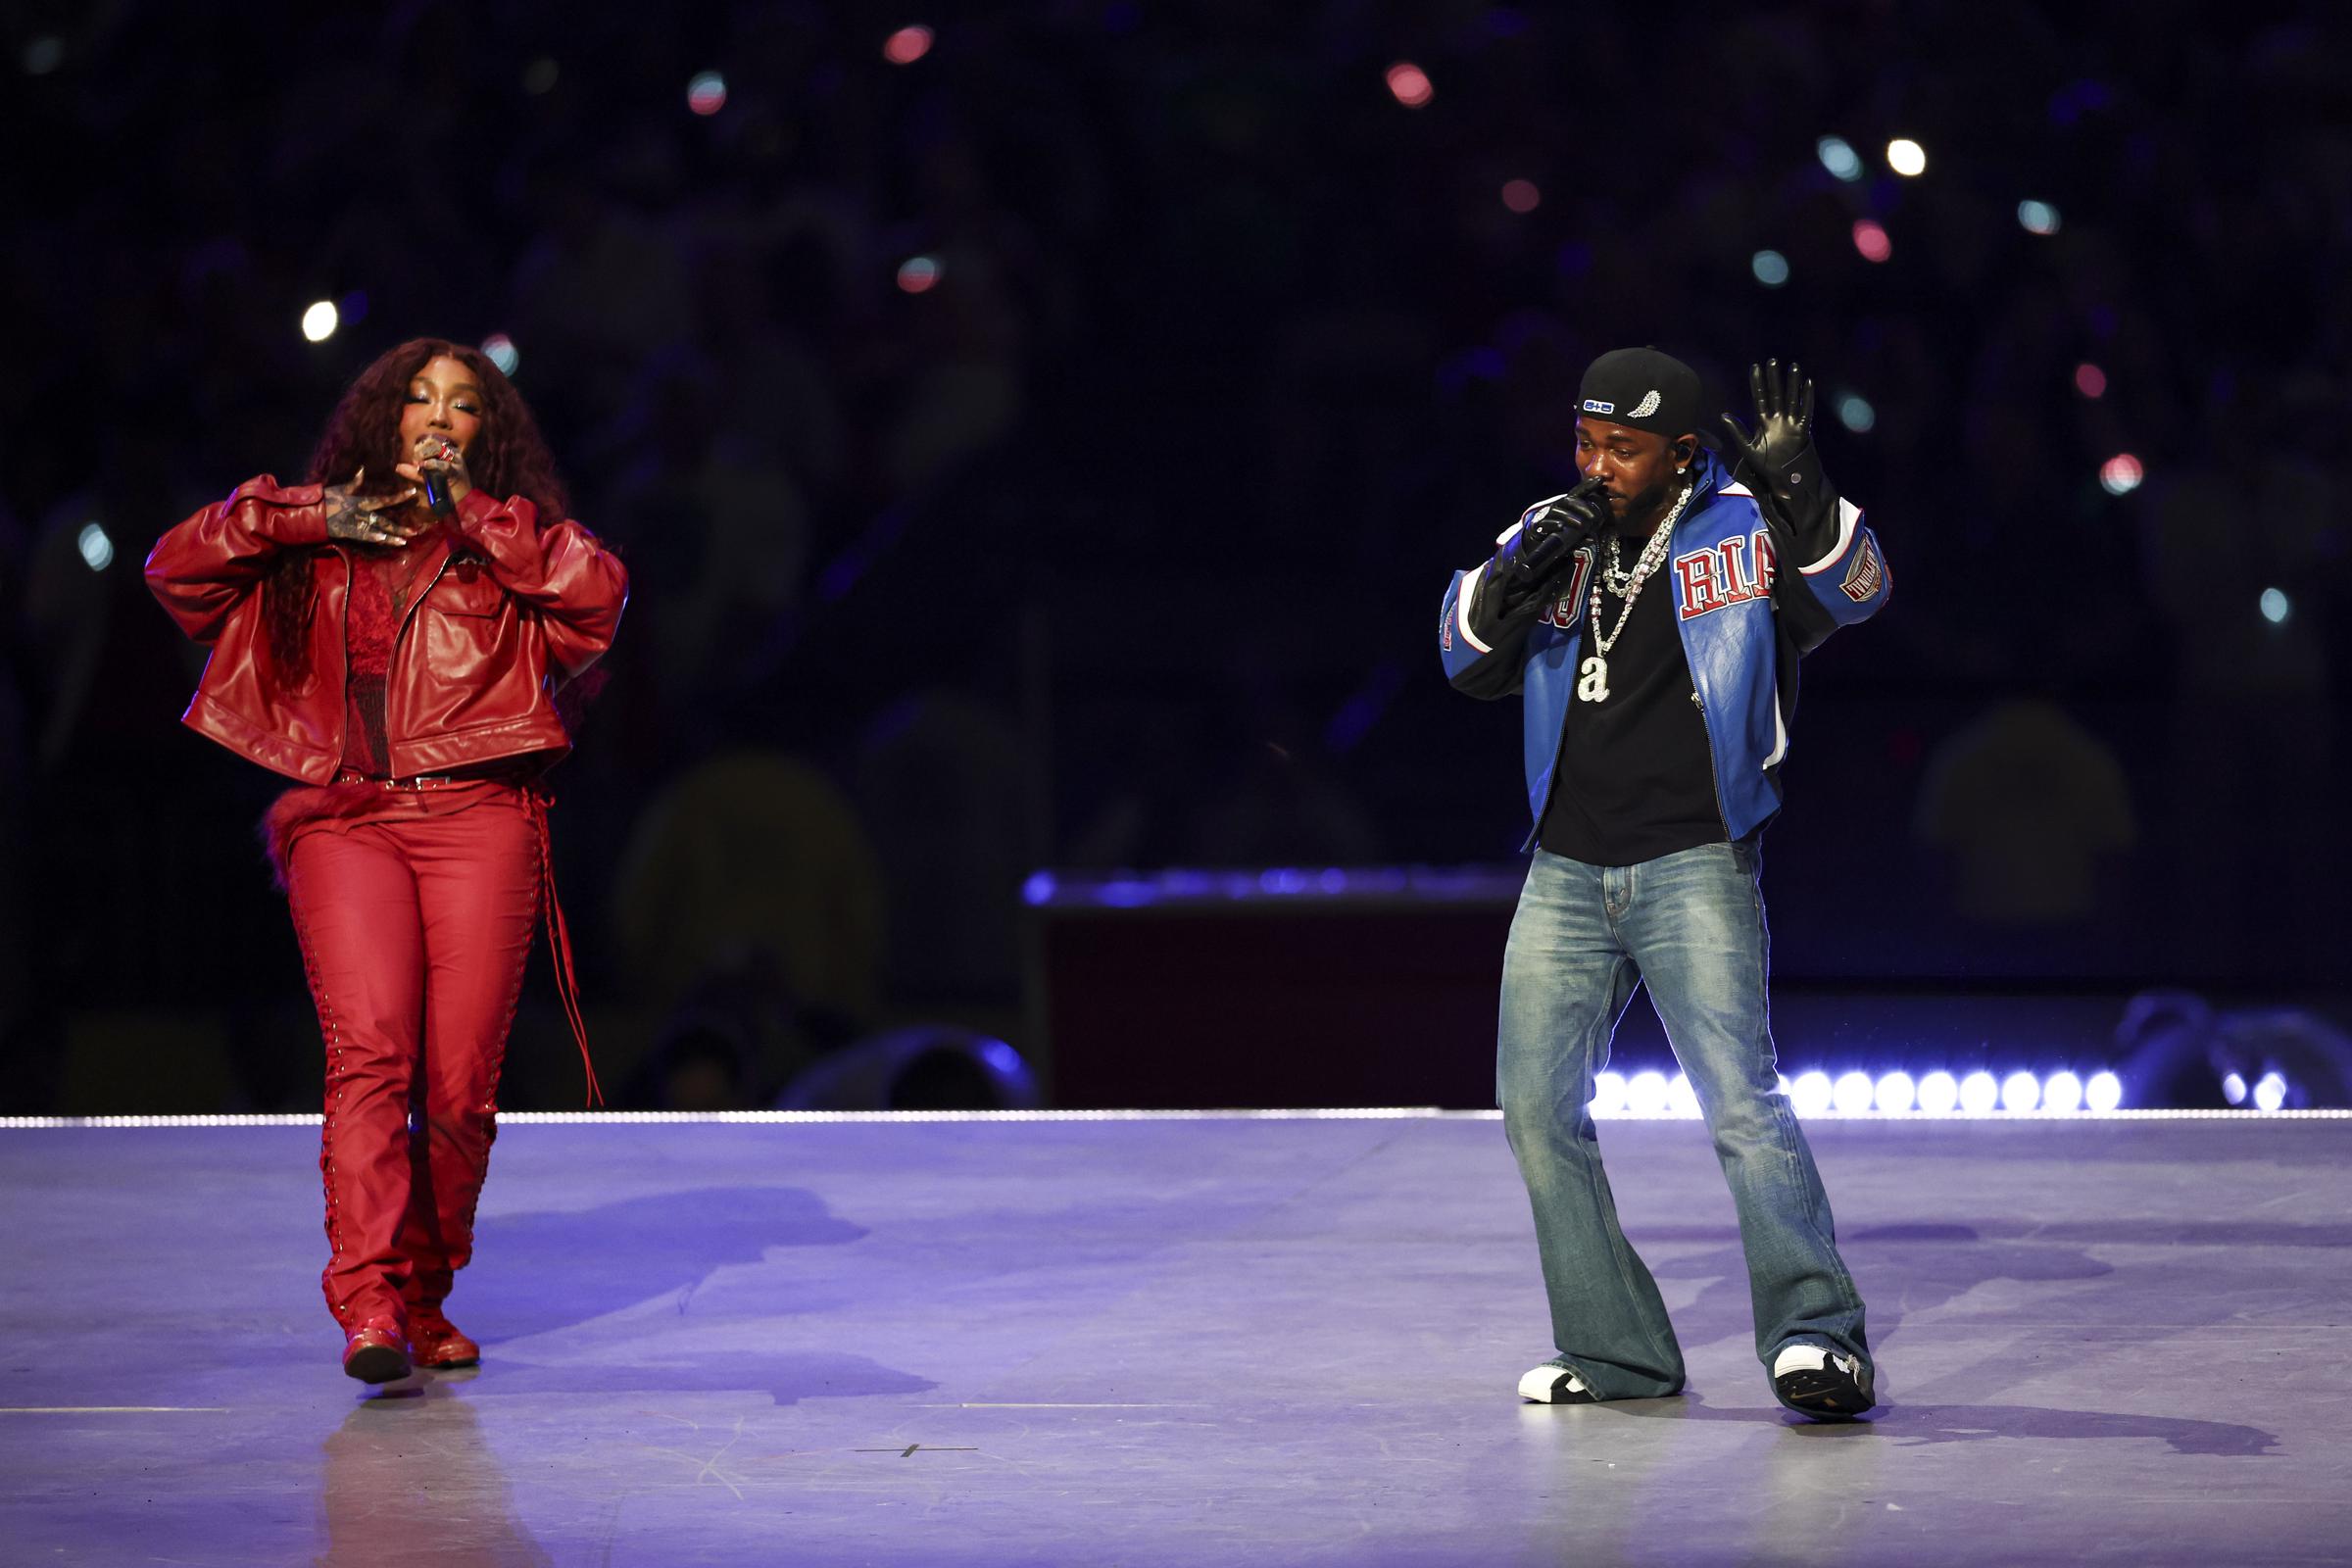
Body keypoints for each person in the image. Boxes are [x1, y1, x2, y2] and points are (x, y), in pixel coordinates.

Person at [147, 338, 627, 1384]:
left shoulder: (509, 541)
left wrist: (481, 520)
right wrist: (303, 514)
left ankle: (421, 1291)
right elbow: (172, 569)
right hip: (345, 817)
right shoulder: (322, 532)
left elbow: (598, 598)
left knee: (458, 1087)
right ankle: (367, 1300)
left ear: (482, 434)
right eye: (417, 400)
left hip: (478, 812)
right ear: (384, 420)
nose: (437, 418)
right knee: (370, 1051)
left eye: (460, 405)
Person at [1437, 348, 1890, 1419]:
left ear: (1682, 452)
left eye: (1624, 448)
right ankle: (1618, 1352)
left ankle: (1820, 1341)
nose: (1598, 464)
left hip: (1695, 856)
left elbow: (1861, 588)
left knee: (1740, 1102)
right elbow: (1460, 657)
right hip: (1564, 866)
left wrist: (1802, 488)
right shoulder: (1552, 530)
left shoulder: (1742, 525)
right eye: (1586, 440)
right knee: (1537, 1112)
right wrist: (1514, 576)